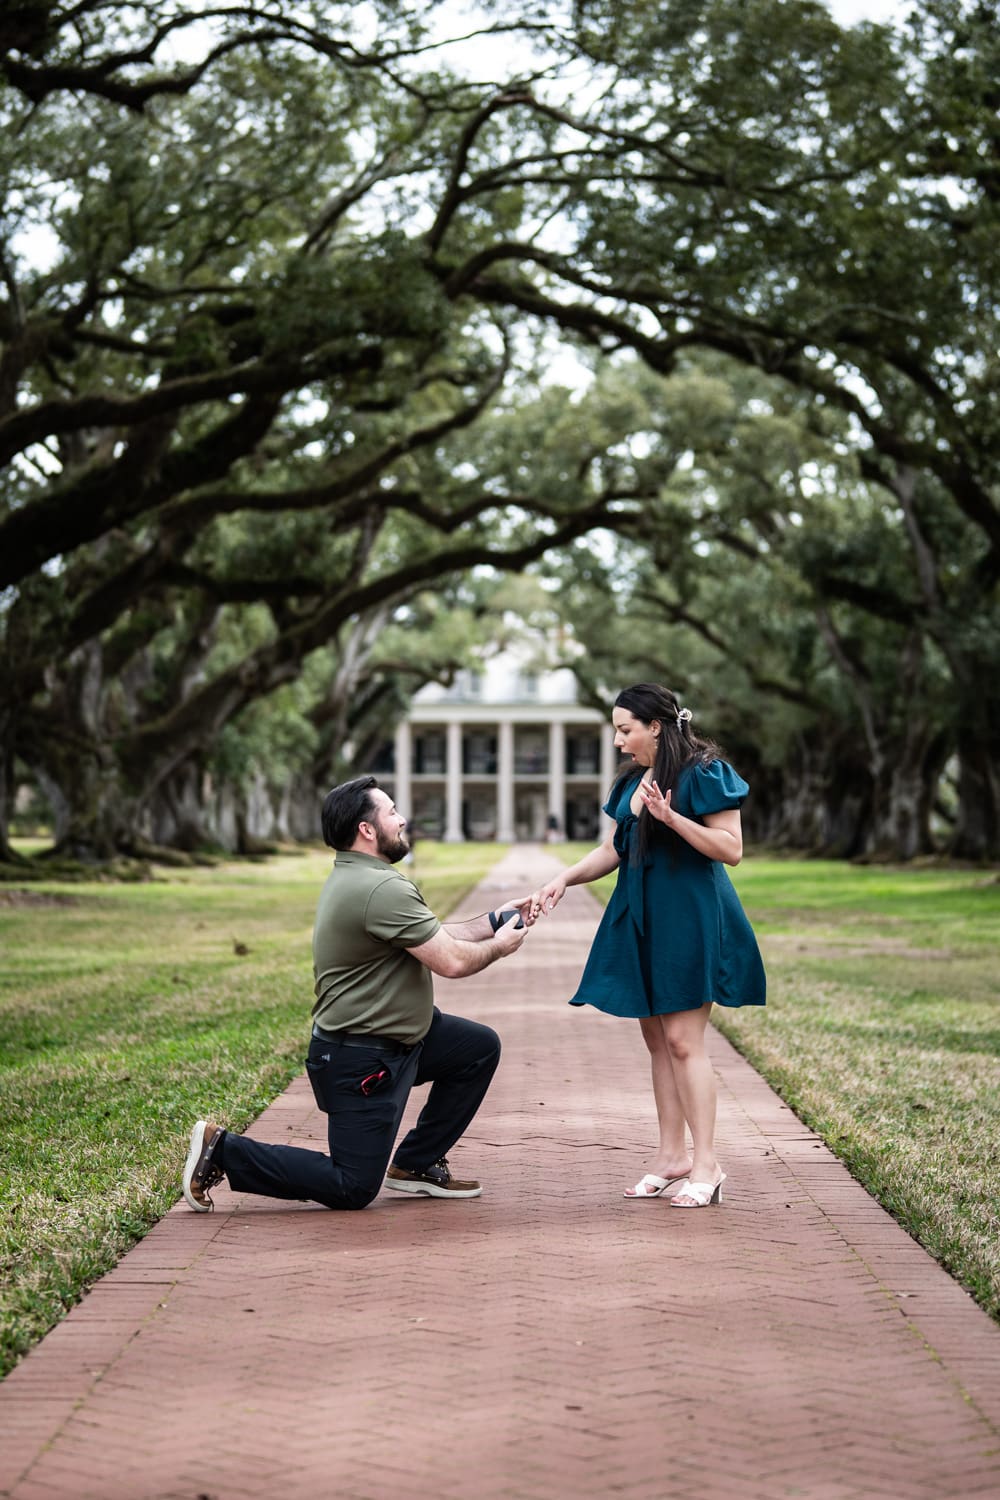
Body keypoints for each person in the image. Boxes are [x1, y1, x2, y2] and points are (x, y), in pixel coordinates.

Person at [182, 775, 529, 1213]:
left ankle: (416, 1165)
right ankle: (224, 1150)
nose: (402, 820)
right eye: (391, 812)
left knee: (476, 1048)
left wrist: (495, 920)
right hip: (363, 1058)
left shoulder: (360, 876)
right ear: (367, 830)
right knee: (352, 1186)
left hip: (404, 1039)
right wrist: (501, 946)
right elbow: (452, 962)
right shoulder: (381, 888)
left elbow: (429, 937)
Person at [526, 684, 765, 1208]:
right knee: (657, 1042)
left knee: (684, 1042)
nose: (617, 741)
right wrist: (561, 880)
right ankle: (670, 1156)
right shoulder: (635, 780)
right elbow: (615, 848)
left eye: (625, 729)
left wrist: (673, 819)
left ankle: (708, 1164)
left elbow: (732, 850)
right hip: (641, 917)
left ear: (656, 726)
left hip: (690, 918)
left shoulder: (703, 773)